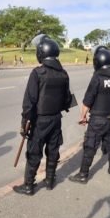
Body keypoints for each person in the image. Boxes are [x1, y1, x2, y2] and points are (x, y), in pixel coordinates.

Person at [13, 35, 71, 195]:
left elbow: (29, 102)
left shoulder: (38, 73)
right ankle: (50, 180)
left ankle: (28, 186)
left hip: (40, 121)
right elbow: (68, 100)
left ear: (41, 53)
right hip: (56, 119)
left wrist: (25, 122)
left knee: (34, 153)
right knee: (53, 150)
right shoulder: (64, 74)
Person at [70, 47, 110, 184]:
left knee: (90, 146)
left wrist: (82, 117)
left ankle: (83, 175)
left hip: (98, 120)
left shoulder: (97, 77)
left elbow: (87, 101)